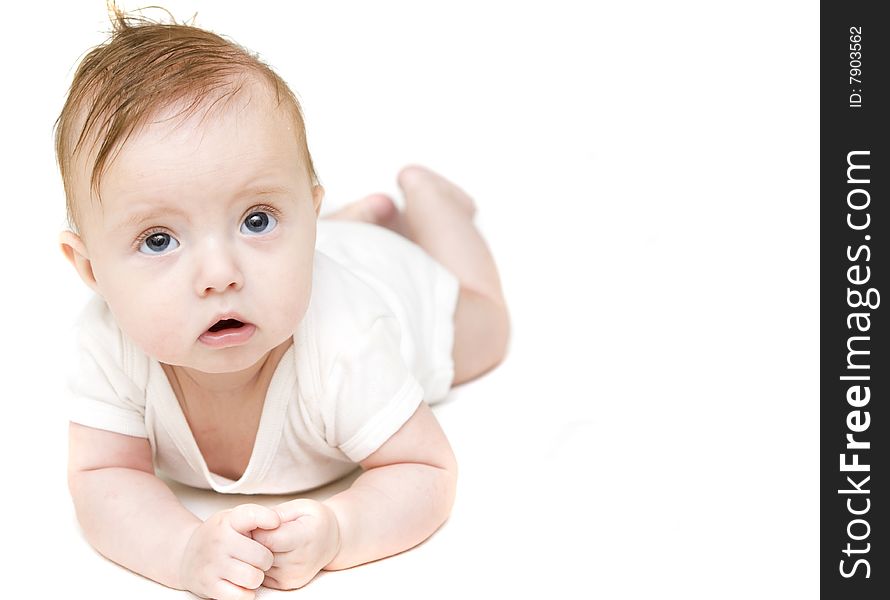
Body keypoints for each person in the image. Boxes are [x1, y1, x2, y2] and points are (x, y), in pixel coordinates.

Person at [55, 8, 510, 600]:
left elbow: (426, 471)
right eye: (159, 239)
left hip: (398, 286)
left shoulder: (345, 339)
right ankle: (339, 223)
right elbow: (102, 478)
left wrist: (343, 530)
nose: (219, 275)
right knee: (280, 259)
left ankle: (431, 204)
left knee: (488, 329)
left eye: (257, 218)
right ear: (91, 269)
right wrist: (183, 551)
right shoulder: (106, 342)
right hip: (311, 261)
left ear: (308, 214)